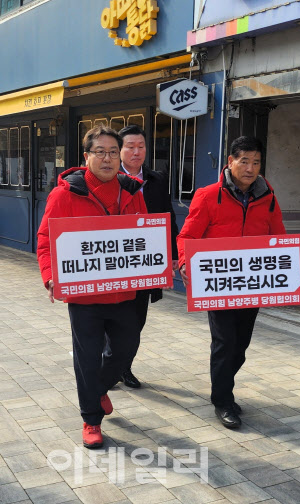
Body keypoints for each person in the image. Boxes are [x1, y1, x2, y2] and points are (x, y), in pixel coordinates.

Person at [177, 136, 300, 429]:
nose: (250, 168)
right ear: (230, 162)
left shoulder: (267, 196)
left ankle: (224, 389)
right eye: (244, 161)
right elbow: (187, 236)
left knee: (240, 345)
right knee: (224, 342)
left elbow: (279, 238)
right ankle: (222, 400)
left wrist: (295, 262)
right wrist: (185, 262)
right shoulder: (208, 195)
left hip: (252, 285)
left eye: (256, 162)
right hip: (219, 284)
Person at [37, 125, 148, 449]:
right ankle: (90, 419)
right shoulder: (65, 194)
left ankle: (99, 388)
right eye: (100, 152)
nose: (108, 158)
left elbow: (142, 234)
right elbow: (45, 240)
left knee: (126, 349)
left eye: (114, 152)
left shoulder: (131, 191)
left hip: (125, 291)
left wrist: (157, 263)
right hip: (84, 295)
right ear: (86, 157)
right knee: (86, 359)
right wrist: (50, 275)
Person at [107, 124, 180, 389]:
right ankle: (109, 364)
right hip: (114, 263)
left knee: (137, 320)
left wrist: (173, 254)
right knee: (112, 318)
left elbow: (168, 218)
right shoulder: (109, 178)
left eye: (141, 147)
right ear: (119, 151)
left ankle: (124, 366)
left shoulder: (156, 180)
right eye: (130, 147)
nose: (136, 152)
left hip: (145, 265)